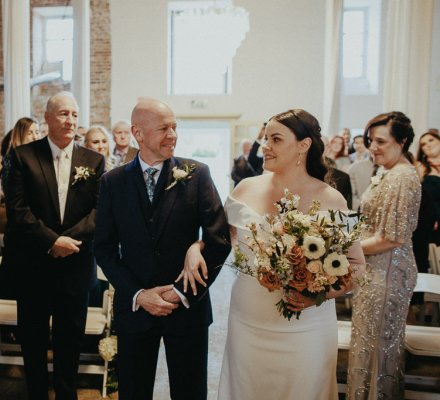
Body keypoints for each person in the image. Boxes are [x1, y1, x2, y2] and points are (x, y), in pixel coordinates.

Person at [218, 109, 365, 400]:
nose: (265, 146)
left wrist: (318, 294)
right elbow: (220, 243)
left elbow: (357, 265)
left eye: (275, 139)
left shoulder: (332, 197)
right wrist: (196, 250)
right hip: (247, 324)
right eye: (264, 138)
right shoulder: (244, 189)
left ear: (303, 145)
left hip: (306, 329)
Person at [94, 98, 231, 400]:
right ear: (138, 134)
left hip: (187, 308)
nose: (172, 134)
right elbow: (103, 249)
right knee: (134, 392)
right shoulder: (112, 183)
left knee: (189, 392)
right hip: (135, 308)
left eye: (174, 127)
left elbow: (219, 239)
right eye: (163, 128)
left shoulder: (197, 175)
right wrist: (140, 295)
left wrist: (179, 291)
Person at [2, 92, 105, 400]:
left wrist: (69, 241)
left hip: (75, 262)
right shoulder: (22, 157)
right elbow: (17, 210)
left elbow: (101, 211)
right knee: (32, 338)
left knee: (69, 338)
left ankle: (65, 393)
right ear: (46, 117)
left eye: (74, 114)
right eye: (62, 114)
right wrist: (51, 241)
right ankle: (35, 393)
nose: (70, 120)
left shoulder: (94, 161)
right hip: (33, 263)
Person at [347, 111, 421, 399]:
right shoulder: (385, 172)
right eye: (370, 141)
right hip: (374, 270)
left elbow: (392, 237)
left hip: (388, 273)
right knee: (368, 343)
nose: (373, 147)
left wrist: (344, 247)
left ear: (401, 141)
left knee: (378, 347)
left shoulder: (402, 176)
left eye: (380, 141)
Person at [411, 131, 440, 303]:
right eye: (423, 143)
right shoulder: (421, 167)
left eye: (431, 140)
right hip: (432, 224)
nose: (428, 145)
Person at [0, 117, 41, 188]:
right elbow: (9, 188)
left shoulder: (41, 156)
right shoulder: (12, 158)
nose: (35, 137)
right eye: (29, 133)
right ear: (20, 135)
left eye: (37, 132)